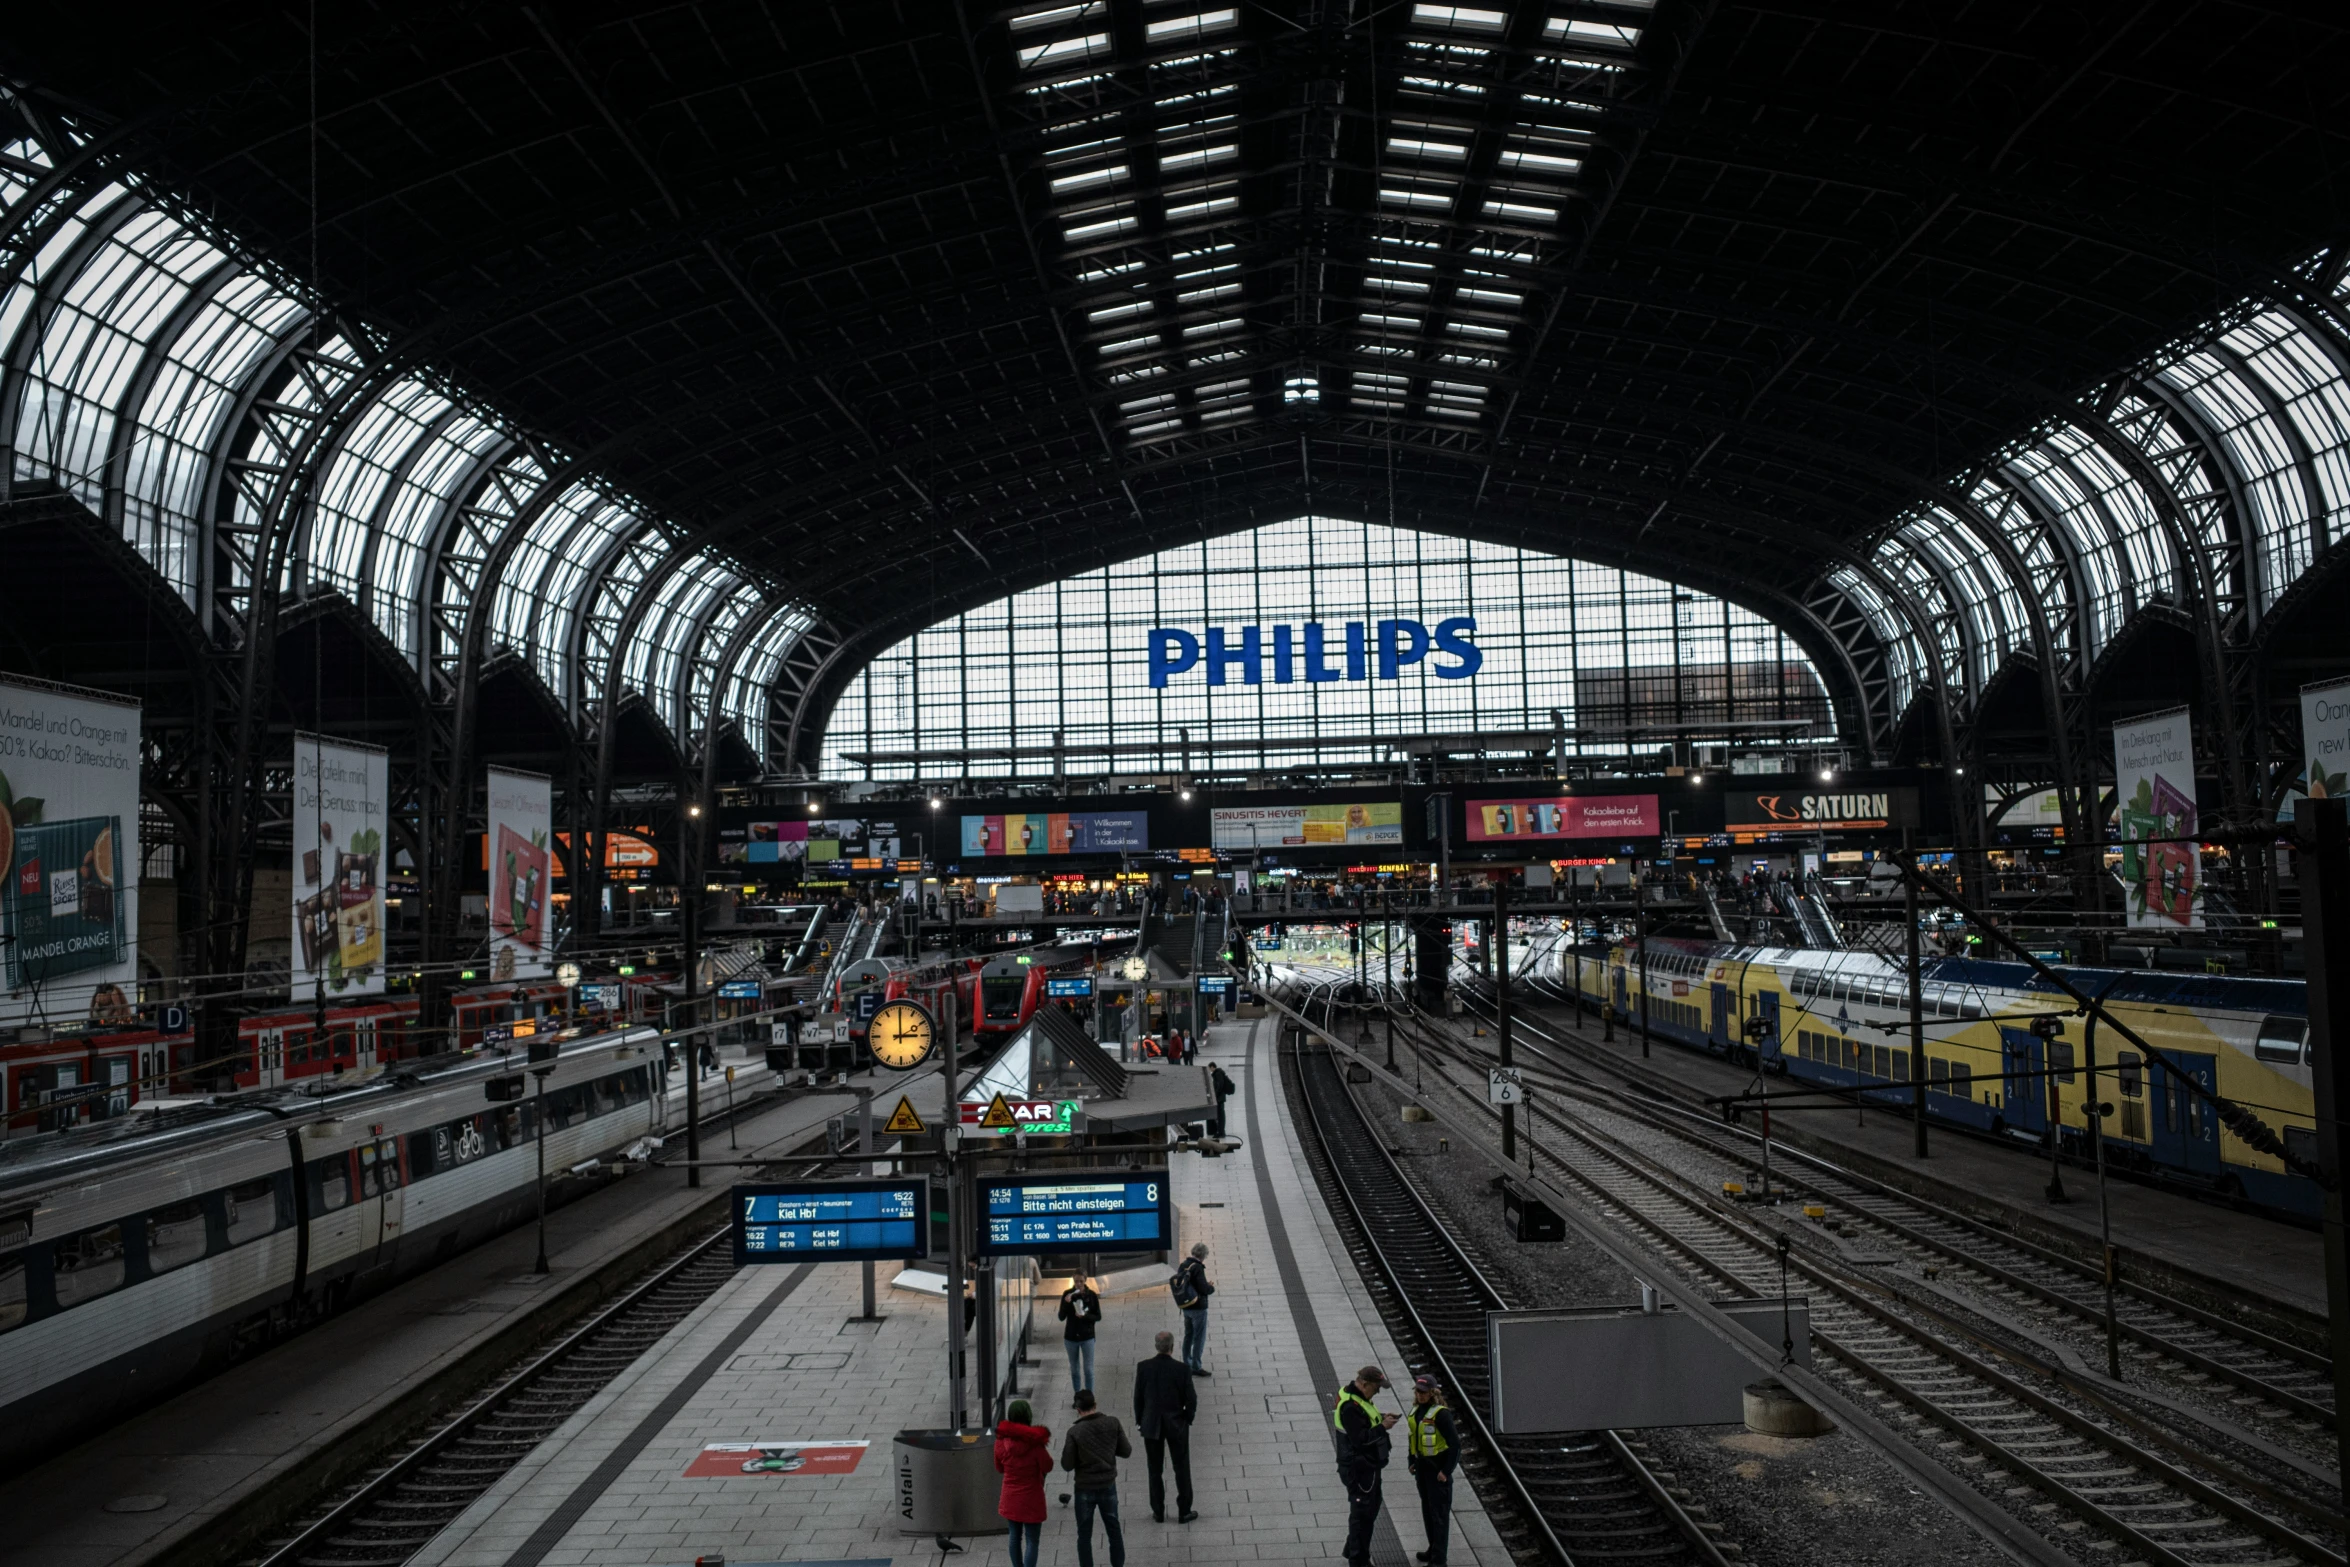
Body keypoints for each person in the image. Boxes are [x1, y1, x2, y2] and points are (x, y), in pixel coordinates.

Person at [1334, 1365, 1397, 1566]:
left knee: (1371, 1507)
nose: (1378, 1391)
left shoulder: (1360, 1400)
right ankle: (1358, 1560)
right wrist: (1382, 1427)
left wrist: (1382, 1418)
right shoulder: (1350, 1407)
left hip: (1367, 1466)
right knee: (1362, 1513)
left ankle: (1353, 1548)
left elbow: (1366, 1422)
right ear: (1364, 1384)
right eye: (1377, 1387)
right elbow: (1360, 1439)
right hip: (1358, 1468)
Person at [1060, 1388, 1131, 1567]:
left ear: (1078, 1409)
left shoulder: (1075, 1432)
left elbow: (1066, 1465)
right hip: (1108, 1485)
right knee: (1114, 1531)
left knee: (1084, 1535)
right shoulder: (1113, 1423)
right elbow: (1126, 1451)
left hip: (1084, 1488)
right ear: (1095, 1405)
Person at [1133, 1329, 1197, 1523]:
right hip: (1176, 1424)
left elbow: (1138, 1398)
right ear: (1172, 1346)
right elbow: (1191, 1399)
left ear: (1156, 1346)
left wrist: (1140, 1421)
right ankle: (1184, 1510)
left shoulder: (1144, 1367)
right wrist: (1186, 1418)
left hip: (1151, 1425)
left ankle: (1158, 1511)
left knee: (1154, 1469)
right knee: (1181, 1468)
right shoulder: (1182, 1369)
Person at [1405, 1375, 1460, 1565]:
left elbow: (1455, 1445)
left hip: (1438, 1471)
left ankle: (1439, 1559)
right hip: (1422, 1469)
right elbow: (1413, 1437)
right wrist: (1411, 1460)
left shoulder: (1441, 1414)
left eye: (1424, 1392)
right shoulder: (1416, 1411)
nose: (1420, 1395)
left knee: (1439, 1516)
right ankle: (1433, 1549)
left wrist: (1446, 1471)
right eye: (1418, 1392)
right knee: (1428, 1512)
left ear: (1432, 1392)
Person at [994, 1398, 1053, 1567]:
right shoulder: (1035, 1445)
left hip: (1010, 1497)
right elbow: (1047, 1466)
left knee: (1014, 1536)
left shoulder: (1000, 1442)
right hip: (1032, 1498)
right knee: (1032, 1540)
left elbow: (999, 1468)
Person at [1172, 1242, 1214, 1376]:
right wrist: (1210, 1287)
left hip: (1186, 1306)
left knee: (1188, 1335)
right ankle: (1196, 1366)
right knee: (1199, 1337)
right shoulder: (1197, 1268)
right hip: (1198, 1307)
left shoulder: (1184, 1265)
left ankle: (1186, 1363)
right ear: (1203, 1255)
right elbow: (1203, 1289)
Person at [1059, 1275, 1102, 1396]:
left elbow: (1098, 1316)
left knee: (1088, 1369)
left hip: (1087, 1336)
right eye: (1076, 1281)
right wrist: (1067, 1303)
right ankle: (1077, 1395)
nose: (1078, 1284)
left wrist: (1085, 1316)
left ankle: (1089, 1396)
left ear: (1085, 1281)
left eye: (1081, 1281)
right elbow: (1061, 1317)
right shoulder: (1067, 1294)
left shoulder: (1091, 1295)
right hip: (1071, 1337)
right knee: (1075, 1369)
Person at [1209, 1062, 1237, 1139]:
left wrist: (1215, 1094)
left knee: (1220, 1116)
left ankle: (1221, 1132)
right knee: (1220, 1115)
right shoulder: (1218, 1073)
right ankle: (1221, 1131)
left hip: (1219, 1098)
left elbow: (1220, 1085)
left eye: (1210, 1068)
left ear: (1212, 1067)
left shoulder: (1218, 1074)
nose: (1210, 1070)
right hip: (1220, 1097)